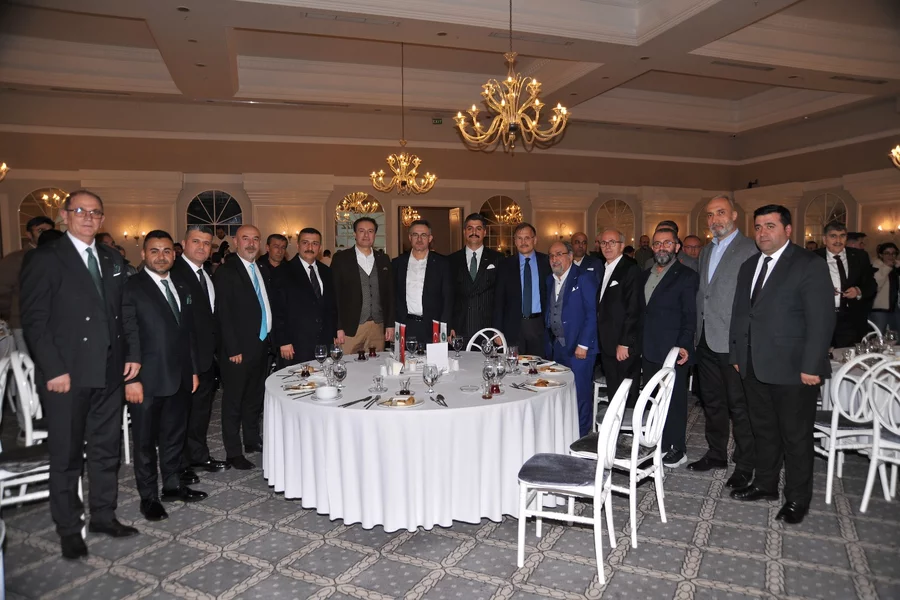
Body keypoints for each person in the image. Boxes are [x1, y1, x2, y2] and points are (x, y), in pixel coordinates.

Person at [20, 190, 141, 559]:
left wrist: (133, 355)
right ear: (64, 215)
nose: (88, 217)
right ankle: (69, 528)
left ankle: (104, 515)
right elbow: (35, 320)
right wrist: (54, 369)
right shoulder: (46, 258)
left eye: (95, 212)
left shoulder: (110, 258)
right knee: (67, 455)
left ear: (102, 219)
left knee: (106, 450)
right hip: (67, 375)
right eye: (80, 211)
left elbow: (125, 311)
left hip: (109, 370)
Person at [729, 205, 835, 525]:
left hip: (794, 369)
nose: (762, 232)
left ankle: (797, 498)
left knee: (796, 437)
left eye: (770, 226)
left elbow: (821, 320)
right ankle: (765, 484)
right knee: (763, 430)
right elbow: (741, 314)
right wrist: (737, 356)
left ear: (788, 230)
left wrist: (812, 365)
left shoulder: (808, 264)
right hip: (753, 365)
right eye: (758, 227)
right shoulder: (749, 265)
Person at [123, 231, 203, 522]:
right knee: (145, 442)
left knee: (174, 436)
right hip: (145, 380)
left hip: (180, 376)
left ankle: (171, 486)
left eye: (167, 251)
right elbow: (126, 335)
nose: (161, 256)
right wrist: (130, 380)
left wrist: (192, 370)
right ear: (144, 254)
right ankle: (149, 498)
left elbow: (187, 334)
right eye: (154, 251)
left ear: (174, 254)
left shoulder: (181, 285)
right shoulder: (131, 288)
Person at [687, 195, 758, 488]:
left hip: (733, 342)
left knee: (740, 406)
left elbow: (753, 300)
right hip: (705, 338)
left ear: (734, 215)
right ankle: (716, 454)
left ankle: (746, 463)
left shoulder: (750, 248)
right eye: (710, 215)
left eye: (720, 212)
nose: (715, 219)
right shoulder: (706, 251)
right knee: (712, 402)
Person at [640, 227, 699, 468]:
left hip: (673, 350)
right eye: (657, 243)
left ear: (677, 247)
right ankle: (658, 444)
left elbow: (690, 315)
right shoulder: (645, 274)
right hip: (648, 347)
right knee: (653, 400)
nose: (661, 247)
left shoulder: (686, 276)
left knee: (673, 401)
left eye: (667, 243)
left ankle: (677, 448)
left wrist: (683, 345)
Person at [170, 225, 226, 477]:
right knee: (181, 416)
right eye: (196, 241)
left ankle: (198, 456)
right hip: (185, 360)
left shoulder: (207, 273)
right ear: (183, 244)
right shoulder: (174, 274)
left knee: (201, 412)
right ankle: (180, 466)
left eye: (206, 243)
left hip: (206, 358)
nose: (202, 247)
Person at [213, 225, 271, 470]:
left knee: (254, 398)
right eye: (245, 238)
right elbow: (223, 313)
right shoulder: (226, 271)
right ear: (236, 242)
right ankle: (233, 452)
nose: (251, 243)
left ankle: (251, 439)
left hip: (261, 345)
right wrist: (232, 349)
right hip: (237, 350)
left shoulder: (260, 268)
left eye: (255, 239)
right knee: (233, 402)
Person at [544, 241, 599, 436]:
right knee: (561, 391)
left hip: (580, 347)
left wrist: (583, 344)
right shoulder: (550, 280)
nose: (554, 259)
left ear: (570, 256)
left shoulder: (584, 278)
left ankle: (582, 436)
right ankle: (565, 432)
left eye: (559, 254)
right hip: (558, 346)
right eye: (551, 255)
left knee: (580, 394)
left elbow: (593, 313)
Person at [272, 227, 337, 365]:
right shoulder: (282, 272)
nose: (310, 247)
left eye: (315, 243)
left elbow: (331, 306)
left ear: (320, 247)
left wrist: (334, 333)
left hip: (324, 343)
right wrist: (283, 341)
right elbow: (277, 310)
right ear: (298, 245)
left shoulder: (327, 272)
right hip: (295, 345)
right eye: (305, 242)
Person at [331, 217, 395, 353]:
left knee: (376, 363)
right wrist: (337, 327)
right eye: (362, 231)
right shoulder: (341, 259)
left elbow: (390, 294)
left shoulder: (383, 259)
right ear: (355, 234)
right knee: (348, 364)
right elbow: (334, 295)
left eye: (370, 231)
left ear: (374, 234)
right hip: (350, 329)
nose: (366, 235)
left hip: (377, 327)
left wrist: (390, 324)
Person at [595, 228, 642, 408]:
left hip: (622, 345)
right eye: (603, 243)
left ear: (622, 246)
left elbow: (634, 309)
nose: (607, 246)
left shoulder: (630, 269)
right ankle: (616, 424)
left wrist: (625, 342)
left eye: (612, 242)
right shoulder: (605, 269)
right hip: (607, 343)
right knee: (614, 391)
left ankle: (629, 425)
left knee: (626, 392)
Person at [814, 221, 876, 347]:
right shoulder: (812, 258)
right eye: (833, 236)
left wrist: (858, 291)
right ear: (825, 239)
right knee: (821, 354)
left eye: (842, 236)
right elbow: (801, 286)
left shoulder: (859, 256)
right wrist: (821, 291)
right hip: (821, 316)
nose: (838, 240)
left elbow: (871, 284)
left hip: (851, 318)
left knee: (850, 355)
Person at [494, 223, 551, 356]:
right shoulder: (505, 265)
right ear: (515, 241)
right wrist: (497, 330)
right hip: (513, 326)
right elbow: (498, 300)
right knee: (513, 366)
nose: (523, 242)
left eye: (527, 238)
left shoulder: (547, 262)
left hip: (539, 325)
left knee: (539, 365)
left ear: (535, 240)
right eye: (519, 238)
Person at [0, 216, 54, 356]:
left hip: (53, 323)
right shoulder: (16, 259)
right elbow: (3, 292)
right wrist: (15, 312)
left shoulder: (57, 256)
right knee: (29, 364)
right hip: (23, 324)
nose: (45, 235)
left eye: (49, 231)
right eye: (40, 231)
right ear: (29, 234)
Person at [393, 220, 453, 345]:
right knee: (405, 358)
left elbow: (448, 298)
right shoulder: (397, 264)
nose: (419, 239)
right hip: (405, 326)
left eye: (423, 235)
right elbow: (391, 297)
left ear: (430, 238)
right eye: (415, 235)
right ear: (410, 238)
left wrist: (445, 327)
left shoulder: (443, 264)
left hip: (433, 327)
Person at [449, 213, 503, 342]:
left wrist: (499, 329)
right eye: (470, 228)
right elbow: (448, 296)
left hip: (488, 329)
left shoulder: (498, 259)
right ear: (464, 232)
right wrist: (448, 325)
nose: (474, 232)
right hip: (459, 328)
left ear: (485, 232)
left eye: (478, 228)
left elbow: (502, 297)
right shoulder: (451, 260)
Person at [870, 242, 899, 334]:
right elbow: (876, 286)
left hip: (895, 307)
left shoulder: (896, 267)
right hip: (879, 308)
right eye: (887, 253)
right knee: (879, 334)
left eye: (893, 253)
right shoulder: (876, 266)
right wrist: (887, 267)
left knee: (896, 335)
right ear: (880, 255)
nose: (891, 256)